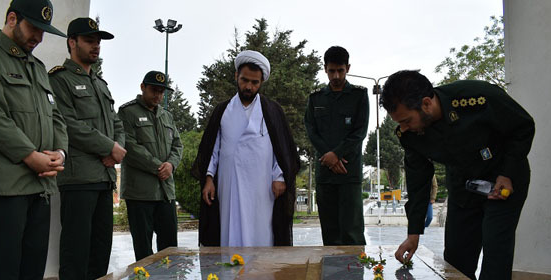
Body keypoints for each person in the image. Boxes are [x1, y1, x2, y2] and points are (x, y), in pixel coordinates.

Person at [381, 70, 535, 280]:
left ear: (426, 103)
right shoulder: (410, 135)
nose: (404, 128)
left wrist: (507, 173)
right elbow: (418, 181)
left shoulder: (476, 98)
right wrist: (413, 234)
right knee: (456, 258)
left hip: (503, 182)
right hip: (464, 186)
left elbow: (523, 126)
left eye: (407, 120)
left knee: (495, 254)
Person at [0, 0, 68, 280]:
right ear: (12, 19)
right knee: (3, 277)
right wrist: (30, 156)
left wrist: (59, 153)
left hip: (40, 186)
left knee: (30, 276)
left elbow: (56, 118)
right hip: (4, 185)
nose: (39, 37)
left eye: (43, 31)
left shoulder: (37, 67)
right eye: (34, 28)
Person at [48, 17, 126, 280]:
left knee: (100, 249)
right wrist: (109, 147)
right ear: (72, 42)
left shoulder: (100, 84)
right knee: (76, 250)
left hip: (104, 178)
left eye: (98, 42)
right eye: (89, 41)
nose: (96, 47)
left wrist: (117, 151)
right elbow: (68, 124)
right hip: (78, 178)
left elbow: (116, 124)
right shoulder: (59, 79)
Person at [192, 50, 300, 246]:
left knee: (261, 230)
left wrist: (279, 177)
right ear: (236, 76)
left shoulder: (272, 110)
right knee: (229, 229)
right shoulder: (222, 110)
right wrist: (208, 178)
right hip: (229, 184)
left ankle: (262, 267)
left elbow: (282, 149)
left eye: (254, 82)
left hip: (262, 185)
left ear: (261, 82)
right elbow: (213, 149)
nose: (249, 86)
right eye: (244, 80)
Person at [304, 46, 369, 245]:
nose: (336, 76)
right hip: (325, 173)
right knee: (330, 232)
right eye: (332, 71)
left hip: (349, 173)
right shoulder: (316, 98)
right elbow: (311, 131)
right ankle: (332, 267)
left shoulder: (359, 95)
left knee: (352, 231)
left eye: (340, 70)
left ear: (348, 68)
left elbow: (359, 132)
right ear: (325, 68)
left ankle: (355, 266)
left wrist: (337, 154)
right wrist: (329, 156)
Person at [118, 71, 183, 261]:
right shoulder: (127, 112)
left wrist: (171, 165)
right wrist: (158, 167)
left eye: (162, 92)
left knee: (170, 249)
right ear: (143, 87)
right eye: (154, 90)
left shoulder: (166, 116)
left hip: (165, 192)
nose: (158, 96)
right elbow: (129, 146)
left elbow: (178, 145)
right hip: (140, 193)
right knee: (143, 250)